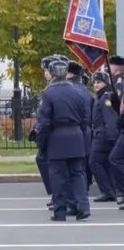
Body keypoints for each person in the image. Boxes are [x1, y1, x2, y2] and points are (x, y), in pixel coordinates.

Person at [35, 56, 91, 221]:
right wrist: (79, 133)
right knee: (78, 175)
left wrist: (41, 142)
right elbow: (85, 117)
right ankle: (83, 206)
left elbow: (44, 122)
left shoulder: (49, 93)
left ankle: (60, 211)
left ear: (52, 73)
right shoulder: (78, 91)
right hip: (76, 136)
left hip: (57, 138)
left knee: (58, 176)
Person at [87, 72, 118, 203]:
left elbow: (110, 118)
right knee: (106, 164)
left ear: (106, 82)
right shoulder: (100, 96)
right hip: (101, 134)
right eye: (94, 82)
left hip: (103, 135)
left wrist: (111, 137)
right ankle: (112, 190)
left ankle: (107, 190)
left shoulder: (105, 97)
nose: (95, 84)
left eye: (99, 82)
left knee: (94, 162)